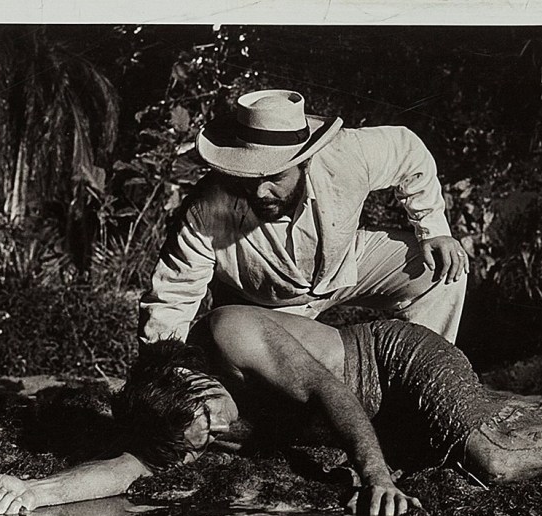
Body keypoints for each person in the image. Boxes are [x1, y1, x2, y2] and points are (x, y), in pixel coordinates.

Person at [0, 306, 542, 516]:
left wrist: (374, 474)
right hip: (376, 413)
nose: (219, 434)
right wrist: (34, 491)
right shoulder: (175, 413)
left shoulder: (231, 334)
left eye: (212, 416)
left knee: (493, 459)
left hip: (391, 362)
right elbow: (127, 468)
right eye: (203, 440)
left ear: (194, 377)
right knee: (517, 422)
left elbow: (330, 392)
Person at [138, 89, 468, 345]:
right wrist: (162, 369)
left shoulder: (345, 154)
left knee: (442, 270)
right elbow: (173, 297)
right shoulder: (206, 210)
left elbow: (408, 151)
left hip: (344, 268)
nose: (260, 191)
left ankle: (429, 378)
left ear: (305, 162)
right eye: (249, 177)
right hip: (265, 308)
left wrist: (434, 228)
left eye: (275, 177)